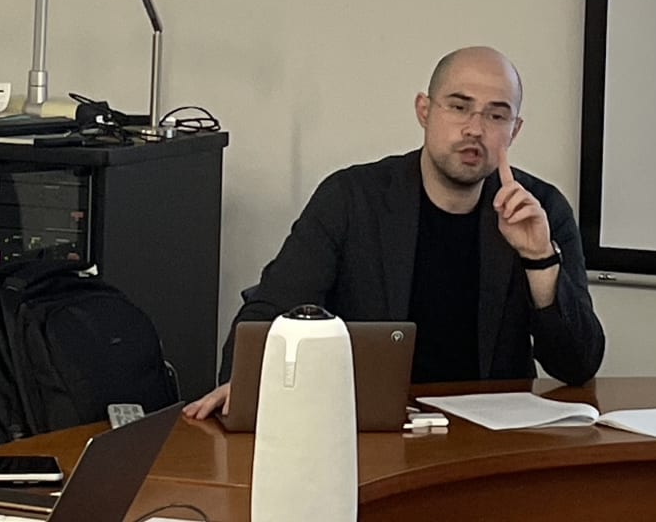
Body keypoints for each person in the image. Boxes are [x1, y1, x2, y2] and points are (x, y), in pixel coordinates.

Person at [184, 45, 604, 420]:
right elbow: (272, 310)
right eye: (459, 107)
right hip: (371, 427)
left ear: (514, 130)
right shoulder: (351, 199)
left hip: (491, 437)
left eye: (496, 115)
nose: (475, 129)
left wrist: (539, 259)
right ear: (424, 111)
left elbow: (578, 365)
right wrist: (246, 382)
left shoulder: (539, 210)